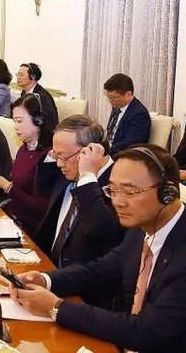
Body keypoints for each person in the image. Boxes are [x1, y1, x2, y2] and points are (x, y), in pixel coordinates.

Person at [11, 145, 186, 352]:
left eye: (129, 192)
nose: (118, 202)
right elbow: (101, 270)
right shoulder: (143, 227)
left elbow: (148, 331)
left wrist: (57, 308)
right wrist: (46, 280)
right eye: (113, 190)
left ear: (167, 193)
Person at [34, 115, 125, 305]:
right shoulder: (66, 171)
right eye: (56, 155)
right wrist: (55, 156)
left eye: (63, 156)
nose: (59, 163)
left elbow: (100, 230)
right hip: (49, 273)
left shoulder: (118, 184)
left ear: (90, 151)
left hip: (84, 295)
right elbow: (40, 189)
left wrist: (87, 176)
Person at [0, 93, 57, 232]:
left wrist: (5, 185)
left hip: (28, 229)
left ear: (38, 120)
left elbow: (40, 209)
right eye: (14, 121)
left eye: (19, 121)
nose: (15, 127)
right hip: (10, 218)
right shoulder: (24, 148)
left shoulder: (49, 157)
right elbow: (18, 186)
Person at [103, 73, 151, 155]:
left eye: (113, 97)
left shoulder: (139, 114)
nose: (110, 101)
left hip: (124, 156)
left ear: (128, 94)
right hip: (111, 151)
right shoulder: (117, 106)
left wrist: (106, 151)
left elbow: (130, 144)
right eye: (108, 97)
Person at [17, 62, 59, 128]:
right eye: (18, 74)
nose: (18, 77)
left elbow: (50, 122)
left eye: (21, 75)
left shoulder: (42, 97)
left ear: (33, 77)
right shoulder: (24, 92)